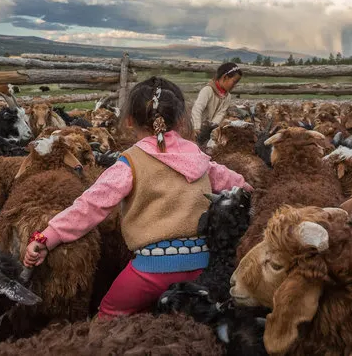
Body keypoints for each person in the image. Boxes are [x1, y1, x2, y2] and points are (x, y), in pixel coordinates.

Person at [23, 76, 253, 320]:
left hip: (150, 270)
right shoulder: (198, 157)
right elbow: (242, 187)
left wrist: (46, 237)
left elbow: (90, 206)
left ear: (130, 120)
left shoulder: (130, 162)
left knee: (109, 316)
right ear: (180, 118)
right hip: (201, 266)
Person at [191, 62, 243, 134]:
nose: (234, 85)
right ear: (225, 77)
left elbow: (220, 114)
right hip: (196, 128)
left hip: (210, 130)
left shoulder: (227, 96)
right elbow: (197, 109)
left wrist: (212, 128)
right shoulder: (208, 90)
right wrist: (196, 127)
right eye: (234, 82)